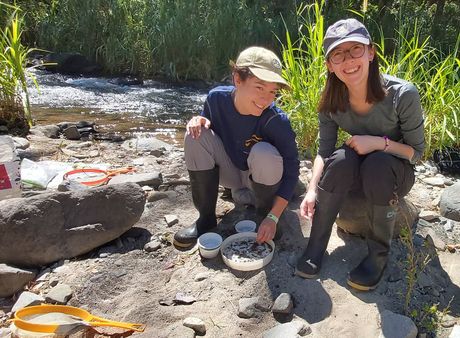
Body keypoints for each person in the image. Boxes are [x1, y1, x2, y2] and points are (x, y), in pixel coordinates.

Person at [295, 18, 425, 291]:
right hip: (356, 173)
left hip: (393, 173)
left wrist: (379, 143)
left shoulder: (402, 94)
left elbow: (416, 153)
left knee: (377, 163)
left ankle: (378, 256)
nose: (348, 60)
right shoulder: (331, 100)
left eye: (355, 49)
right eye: (338, 54)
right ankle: (316, 245)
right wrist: (310, 190)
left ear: (371, 52)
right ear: (330, 65)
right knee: (341, 159)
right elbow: (324, 152)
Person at [173, 46, 300, 248]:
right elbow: (209, 127)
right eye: (259, 87)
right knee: (195, 134)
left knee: (263, 152)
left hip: (260, 176)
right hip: (231, 173)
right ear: (237, 80)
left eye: (272, 91)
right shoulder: (216, 99)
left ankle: (265, 216)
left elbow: (293, 168)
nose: (266, 99)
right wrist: (199, 119)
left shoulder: (277, 120)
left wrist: (274, 217)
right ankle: (205, 219)